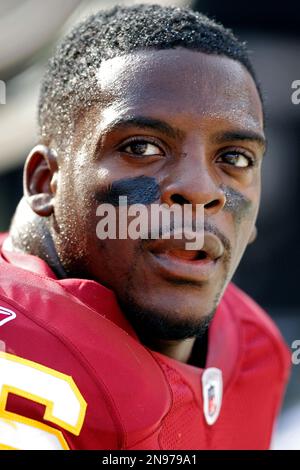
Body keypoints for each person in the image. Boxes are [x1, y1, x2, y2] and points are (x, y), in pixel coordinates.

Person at [0, 4, 290, 450]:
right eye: (142, 147)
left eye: (234, 158)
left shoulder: (256, 350)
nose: (199, 190)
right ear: (45, 181)